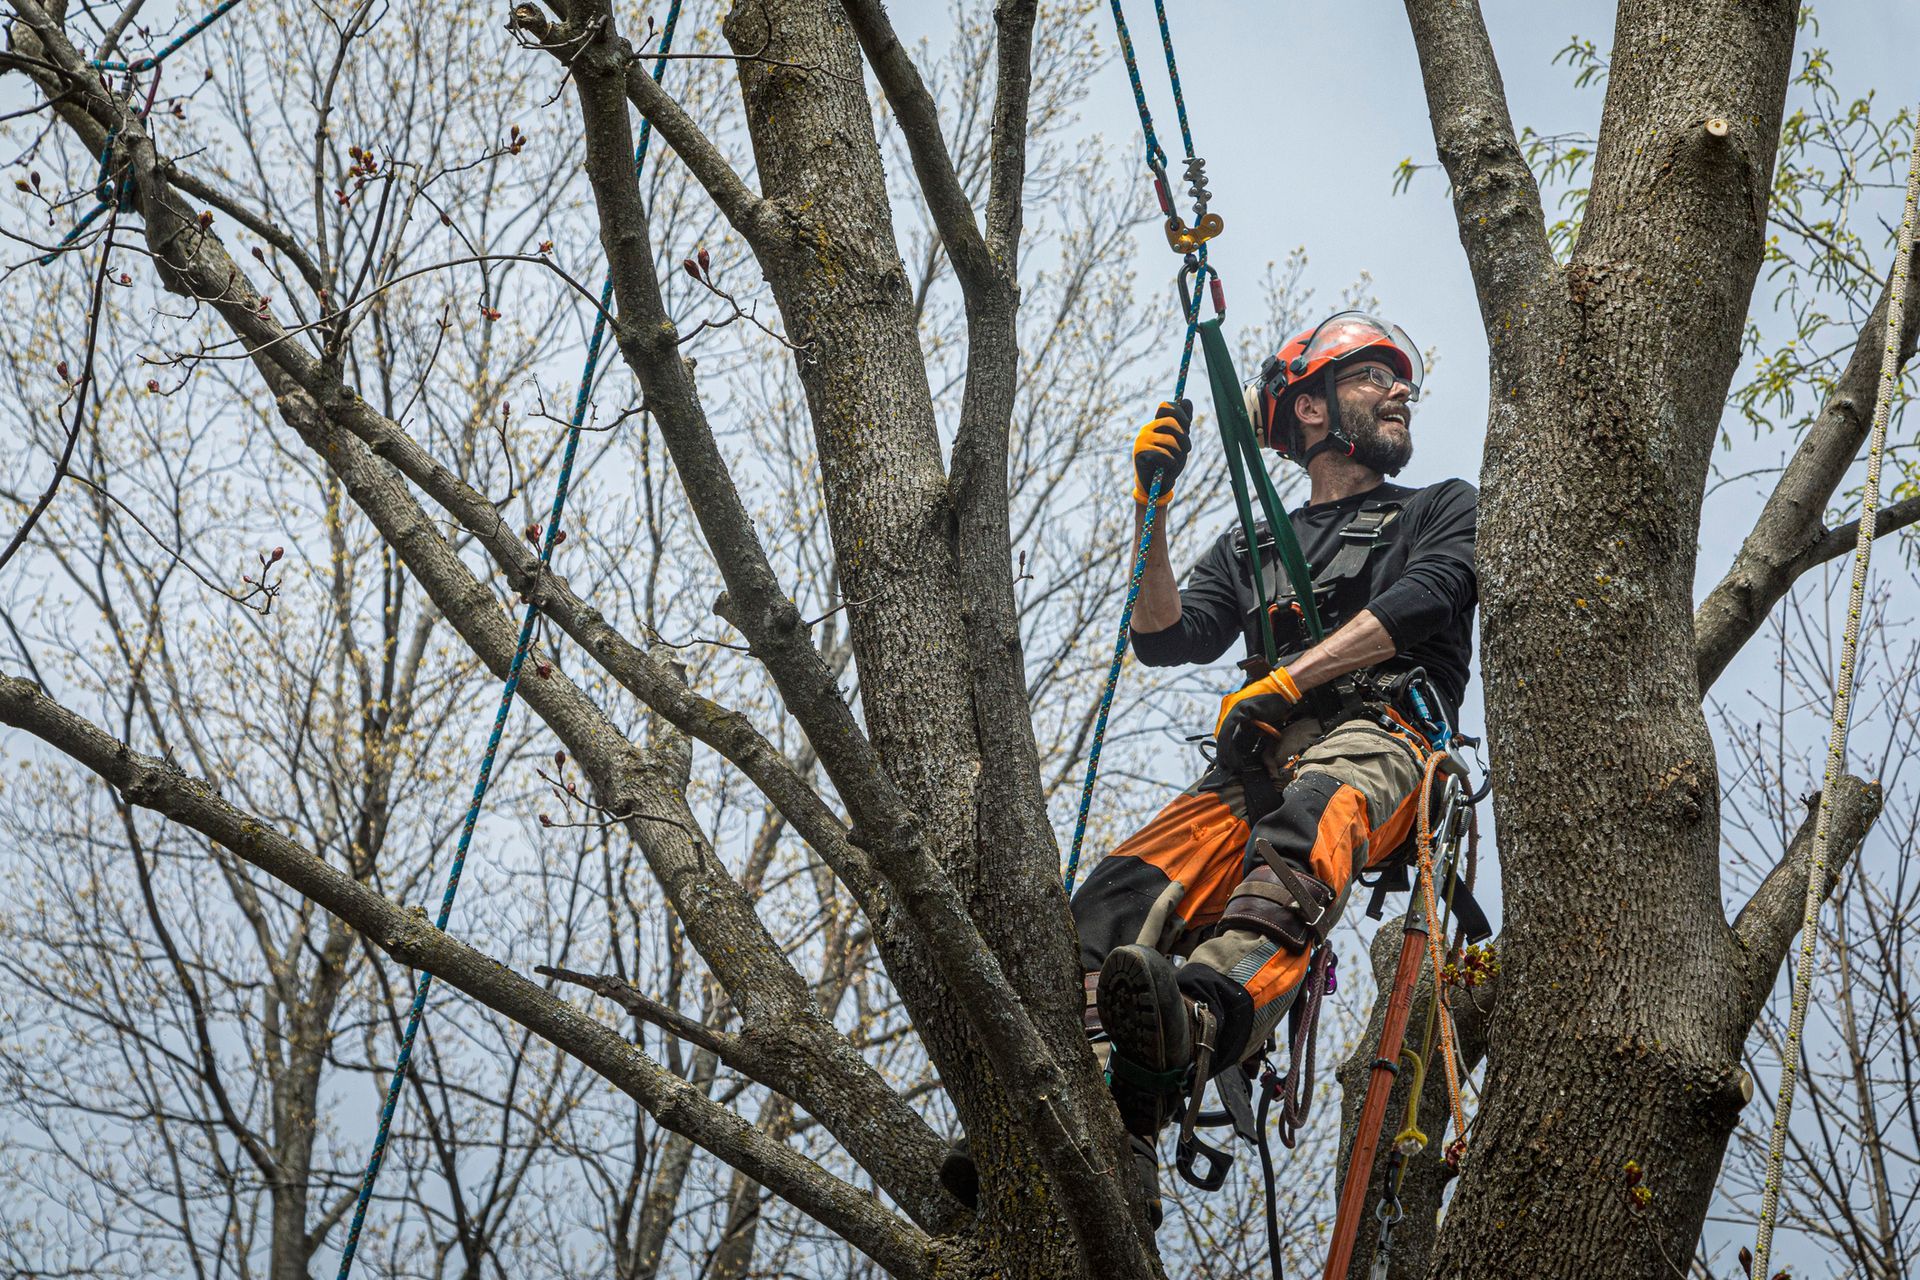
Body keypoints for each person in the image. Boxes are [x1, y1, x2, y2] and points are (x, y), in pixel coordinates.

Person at [1072, 311, 1478, 1222]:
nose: (1398, 390)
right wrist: (1152, 505)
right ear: (1307, 409)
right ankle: (1097, 1109)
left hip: (1383, 737)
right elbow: (1163, 634)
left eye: (1396, 379)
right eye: (1372, 377)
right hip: (1258, 768)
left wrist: (1293, 675)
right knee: (1109, 898)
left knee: (1300, 846)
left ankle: (1204, 1015)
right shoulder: (1258, 545)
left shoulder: (1435, 507)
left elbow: (1432, 595)